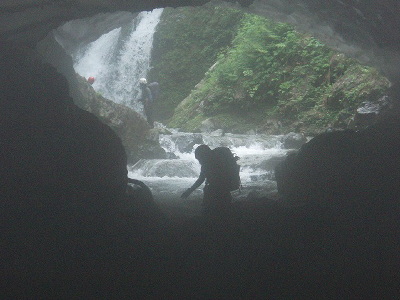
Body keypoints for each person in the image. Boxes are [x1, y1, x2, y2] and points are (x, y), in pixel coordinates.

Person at [181, 144, 233, 216]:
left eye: (199, 159)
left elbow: (201, 179)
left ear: (204, 156)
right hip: (225, 190)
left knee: (208, 213)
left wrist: (189, 191)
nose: (199, 162)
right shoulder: (218, 161)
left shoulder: (207, 165)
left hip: (214, 191)